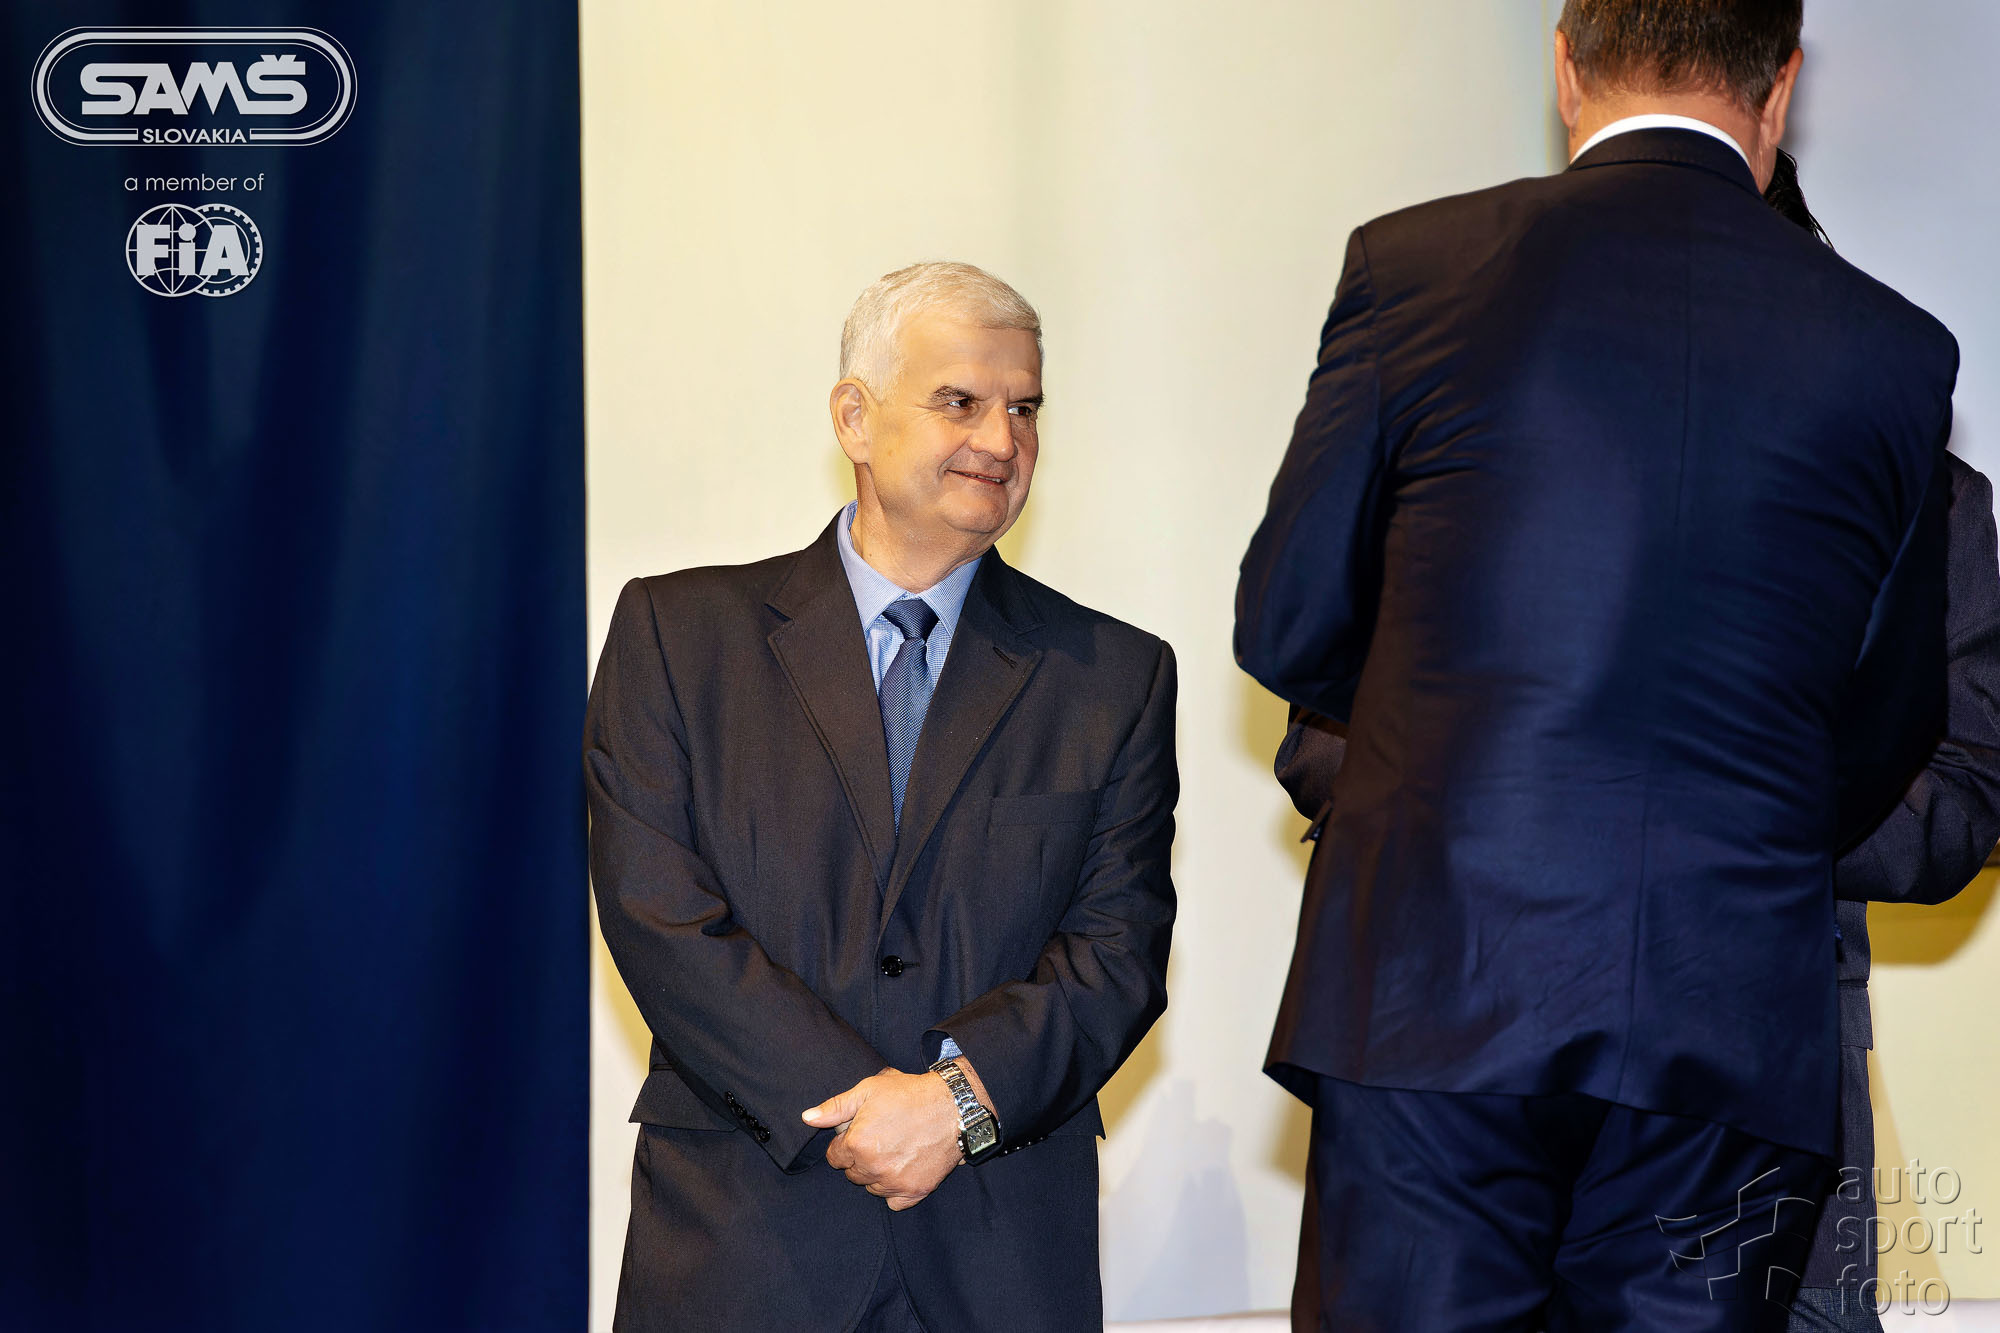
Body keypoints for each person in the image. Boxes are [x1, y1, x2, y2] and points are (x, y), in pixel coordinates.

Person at [1234, 3, 1961, 1329]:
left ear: (1564, 65)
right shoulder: (1895, 352)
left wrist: (1440, 742)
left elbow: (1289, 625)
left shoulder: (1415, 267)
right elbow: (1890, 717)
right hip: (1728, 1018)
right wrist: (1737, 825)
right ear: (1779, 85)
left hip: (1433, 992)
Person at [585, 260, 1177, 1332]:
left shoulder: (1113, 677)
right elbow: (658, 914)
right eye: (961, 400)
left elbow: (1116, 952)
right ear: (853, 418)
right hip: (744, 1244)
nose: (1002, 440)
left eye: (1024, 408)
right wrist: (863, 1114)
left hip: (998, 1251)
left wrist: (954, 1105)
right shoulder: (678, 638)